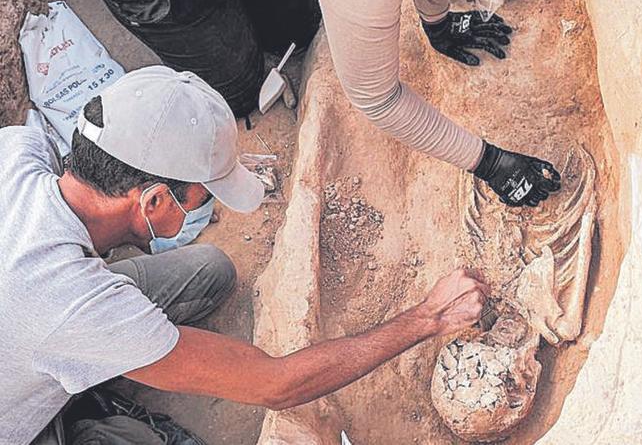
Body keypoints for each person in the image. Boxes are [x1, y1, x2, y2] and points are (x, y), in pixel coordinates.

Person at [1, 66, 489, 444]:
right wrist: (427, 318)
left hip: (30, 325)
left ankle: (80, 367)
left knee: (208, 272)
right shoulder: (78, 306)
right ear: (151, 201)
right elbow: (275, 384)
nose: (209, 207)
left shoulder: (19, 150)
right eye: (202, 196)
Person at [78, 0, 562, 208]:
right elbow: (378, 99)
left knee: (302, 18)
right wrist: (489, 162)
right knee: (243, 88)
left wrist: (436, 24)